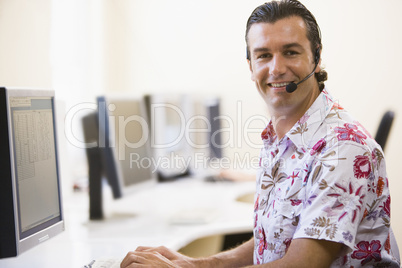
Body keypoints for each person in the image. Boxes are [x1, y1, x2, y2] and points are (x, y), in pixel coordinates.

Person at [121, 0, 401, 267]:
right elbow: (277, 234)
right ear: (251, 66)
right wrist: (195, 264)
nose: (276, 69)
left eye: (291, 52)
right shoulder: (280, 135)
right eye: (264, 55)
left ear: (316, 57)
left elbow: (302, 264)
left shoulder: (343, 148)